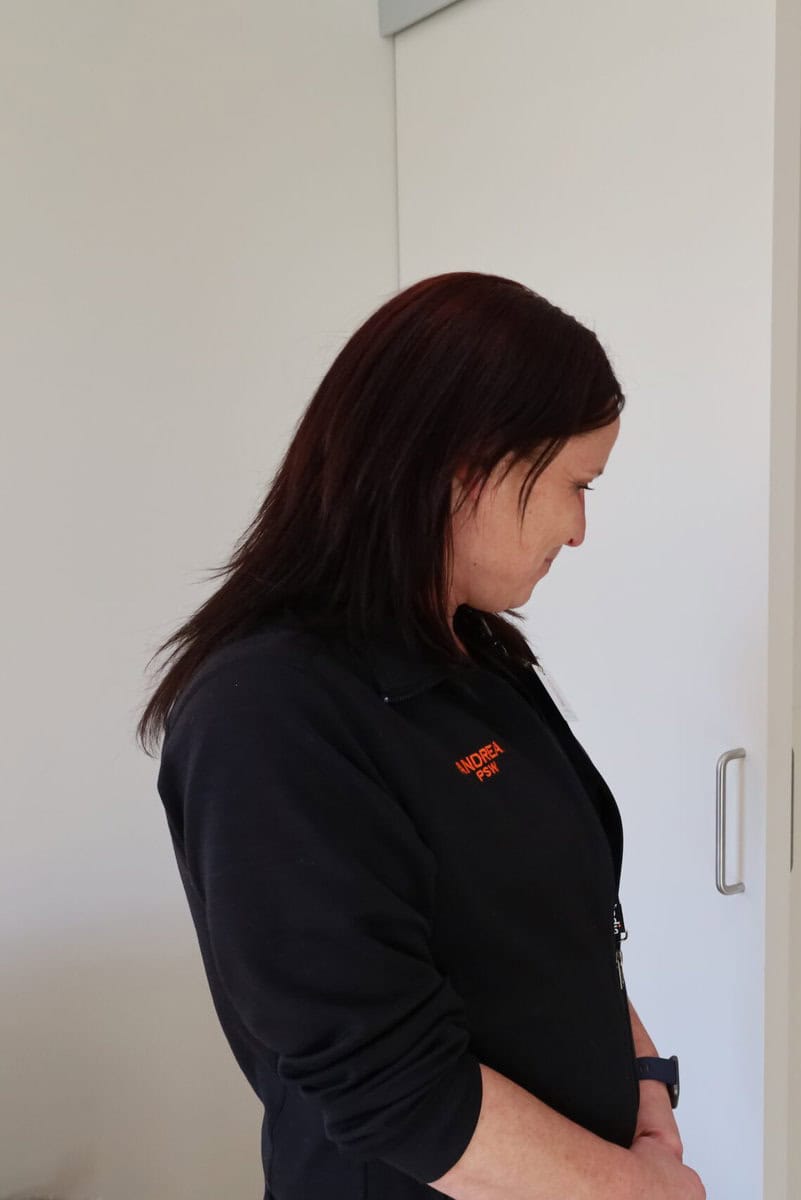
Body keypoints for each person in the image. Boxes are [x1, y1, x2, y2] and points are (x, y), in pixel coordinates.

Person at [140, 273, 705, 1199]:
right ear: (464, 469)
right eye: (575, 485)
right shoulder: (266, 716)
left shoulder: (474, 651)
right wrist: (646, 1191)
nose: (580, 529)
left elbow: (556, 922)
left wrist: (640, 1072)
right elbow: (396, 1088)